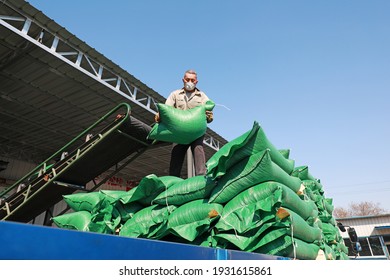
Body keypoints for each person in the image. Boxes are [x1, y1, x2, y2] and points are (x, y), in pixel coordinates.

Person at [155, 69, 213, 177]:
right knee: (176, 157)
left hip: (196, 133)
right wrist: (159, 115)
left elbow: (209, 114)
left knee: (198, 150)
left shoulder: (202, 96)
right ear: (183, 80)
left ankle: (201, 178)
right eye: (187, 79)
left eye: (192, 80)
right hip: (179, 133)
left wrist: (209, 117)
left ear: (196, 82)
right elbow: (167, 109)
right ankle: (173, 180)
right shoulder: (175, 94)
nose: (190, 82)